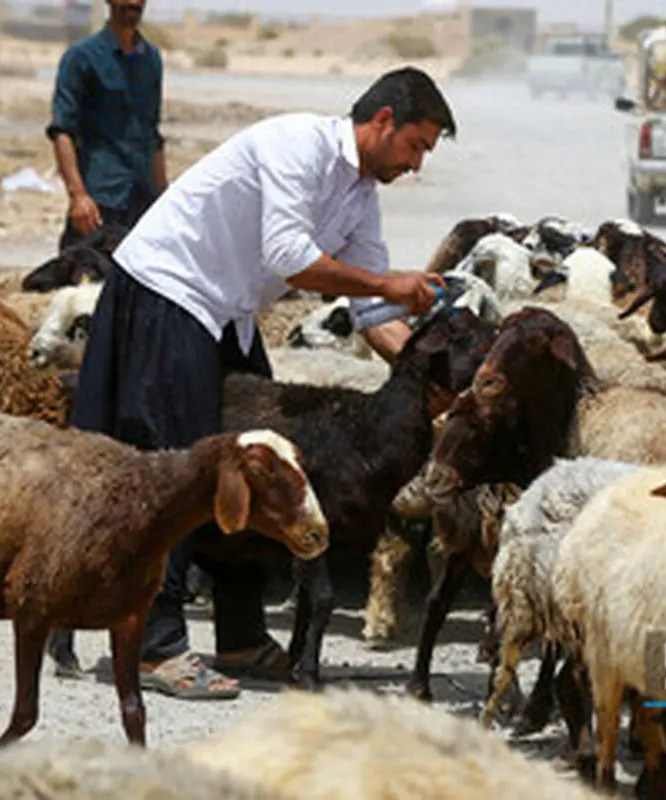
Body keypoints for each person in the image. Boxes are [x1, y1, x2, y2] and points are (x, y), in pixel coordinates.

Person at [46, 66, 457, 699]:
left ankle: (238, 635)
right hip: (168, 289)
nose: (418, 164)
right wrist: (388, 285)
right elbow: (289, 257)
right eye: (417, 146)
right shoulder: (297, 146)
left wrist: (427, 381)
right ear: (383, 123)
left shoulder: (359, 197)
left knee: (258, 461)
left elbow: (375, 316)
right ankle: (156, 647)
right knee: (180, 463)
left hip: (225, 311)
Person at [46, 0, 167, 253]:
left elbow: (153, 134)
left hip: (142, 201)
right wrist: (77, 195)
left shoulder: (151, 59)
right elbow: (62, 131)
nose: (133, 2)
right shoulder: (81, 57)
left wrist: (163, 199)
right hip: (99, 202)